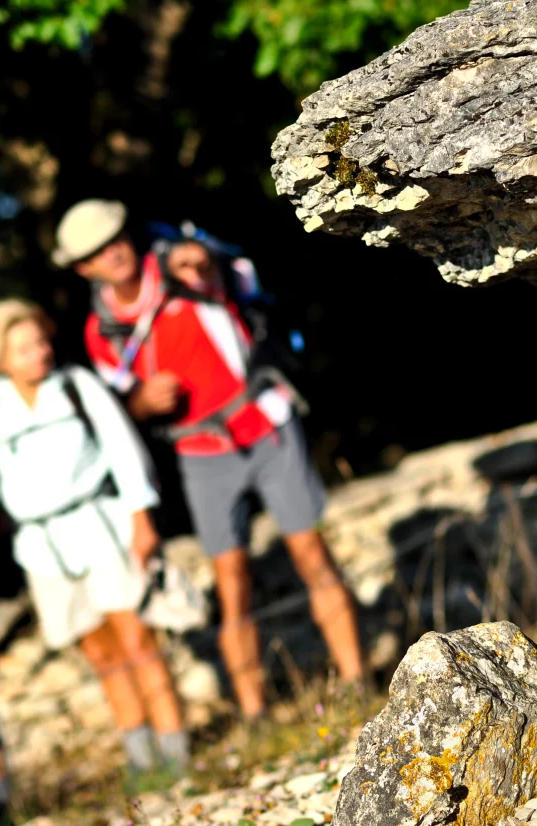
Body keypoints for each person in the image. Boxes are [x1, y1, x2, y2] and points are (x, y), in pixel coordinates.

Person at [53, 199, 364, 722]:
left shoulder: (178, 264)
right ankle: (255, 714)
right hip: (200, 454)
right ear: (83, 268)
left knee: (311, 552)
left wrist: (196, 260)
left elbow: (208, 262)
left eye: (116, 238)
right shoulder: (102, 330)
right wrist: (141, 404)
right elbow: (117, 410)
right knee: (231, 580)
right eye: (97, 252)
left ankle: (357, 685)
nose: (114, 253)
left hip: (265, 423)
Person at [0, 299, 188, 776]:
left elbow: (124, 450)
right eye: (23, 348)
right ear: (2, 357)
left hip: (103, 524)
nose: (38, 353)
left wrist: (142, 519)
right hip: (43, 545)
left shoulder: (77, 386)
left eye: (40, 342)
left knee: (136, 637)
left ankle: (178, 755)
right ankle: (142, 761)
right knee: (100, 652)